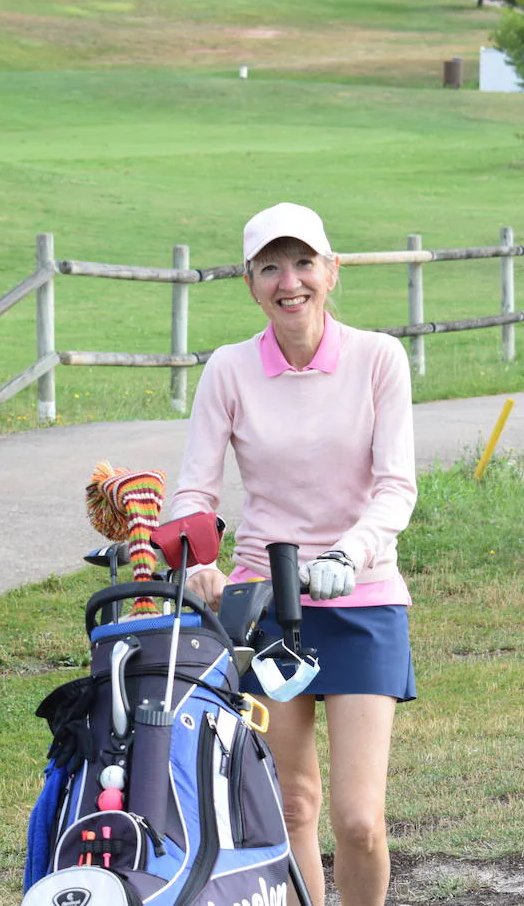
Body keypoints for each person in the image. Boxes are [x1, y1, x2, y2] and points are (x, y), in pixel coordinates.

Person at [169, 202, 418, 906]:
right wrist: (199, 560)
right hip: (263, 608)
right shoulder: (229, 369)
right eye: (270, 267)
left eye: (304, 262)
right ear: (250, 282)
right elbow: (194, 492)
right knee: (293, 806)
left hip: (363, 600)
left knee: (359, 819)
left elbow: (397, 485)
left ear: (331, 272)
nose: (290, 281)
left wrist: (350, 553)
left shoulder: (378, 359)